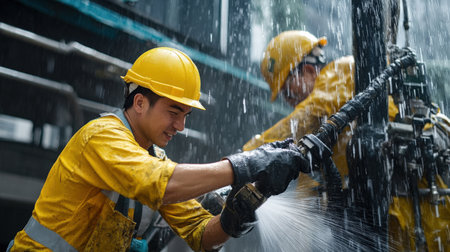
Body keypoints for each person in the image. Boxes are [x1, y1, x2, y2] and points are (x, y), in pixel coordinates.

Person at [7, 47, 308, 252]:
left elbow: (201, 234)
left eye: (185, 117)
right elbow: (161, 183)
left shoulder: (156, 160)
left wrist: (241, 209)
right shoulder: (101, 138)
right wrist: (246, 164)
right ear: (139, 102)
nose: (180, 126)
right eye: (173, 112)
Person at [243, 30, 450, 251]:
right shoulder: (324, 130)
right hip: (401, 215)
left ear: (309, 70)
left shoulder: (342, 72)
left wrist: (244, 161)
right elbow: (306, 190)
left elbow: (306, 117)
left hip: (424, 207)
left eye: (287, 90)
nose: (288, 100)